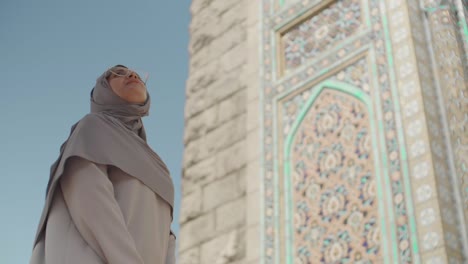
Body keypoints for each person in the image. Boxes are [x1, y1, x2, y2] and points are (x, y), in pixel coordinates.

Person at [29, 65, 176, 264]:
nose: (132, 75)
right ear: (102, 90)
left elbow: (165, 237)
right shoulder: (93, 128)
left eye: (137, 74)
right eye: (118, 73)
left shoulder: (158, 166)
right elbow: (90, 200)